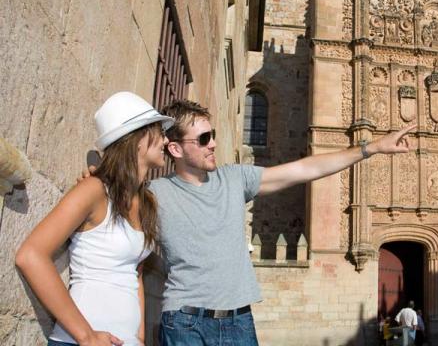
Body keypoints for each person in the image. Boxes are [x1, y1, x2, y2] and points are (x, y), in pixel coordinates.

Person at [147, 99, 417, 345]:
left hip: (238, 321)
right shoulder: (154, 195)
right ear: (175, 149)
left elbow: (306, 168)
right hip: (184, 323)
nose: (213, 144)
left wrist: (372, 148)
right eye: (204, 138)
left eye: (213, 135)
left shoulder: (235, 179)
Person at [15, 92, 174, 346]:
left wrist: (140, 338)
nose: (165, 139)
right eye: (158, 131)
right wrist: (86, 335)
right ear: (137, 139)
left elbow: (135, 273)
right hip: (78, 341)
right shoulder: (94, 190)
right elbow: (30, 255)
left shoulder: (146, 203)